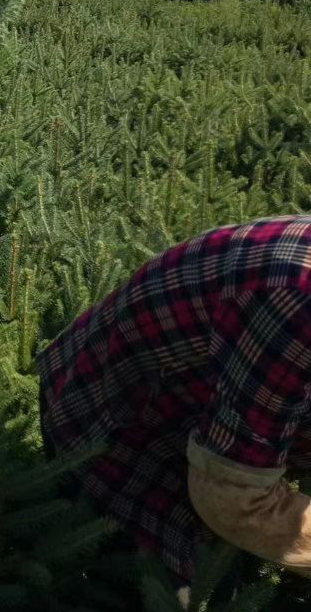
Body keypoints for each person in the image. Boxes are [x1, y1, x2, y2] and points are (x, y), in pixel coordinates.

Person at [38, 216, 311, 590]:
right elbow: (232, 497)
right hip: (121, 419)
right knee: (176, 599)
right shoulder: (297, 308)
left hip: (228, 386)